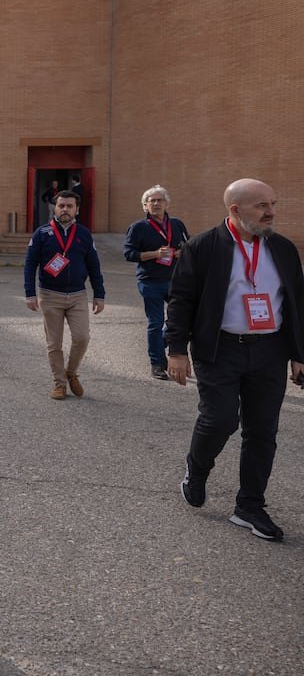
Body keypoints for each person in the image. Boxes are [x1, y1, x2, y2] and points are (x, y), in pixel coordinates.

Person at [168, 178, 304, 542]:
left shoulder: (283, 250)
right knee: (220, 419)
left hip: (269, 350)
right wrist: (177, 350)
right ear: (235, 210)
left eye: (272, 203)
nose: (271, 211)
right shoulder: (203, 247)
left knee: (262, 431)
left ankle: (249, 507)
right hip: (220, 349)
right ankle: (196, 471)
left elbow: (296, 304)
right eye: (262, 205)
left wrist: (298, 355)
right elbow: (181, 300)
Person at [23, 190, 106, 400]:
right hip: (50, 295)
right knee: (54, 343)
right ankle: (59, 383)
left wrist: (99, 294)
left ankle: (71, 372)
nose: (65, 210)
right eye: (61, 206)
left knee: (82, 338)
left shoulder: (84, 234)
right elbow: (30, 264)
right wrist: (30, 293)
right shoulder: (42, 233)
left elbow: (94, 266)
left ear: (76, 209)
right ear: (55, 208)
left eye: (70, 206)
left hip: (78, 295)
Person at [122, 186, 190, 379]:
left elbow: (188, 246)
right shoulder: (138, 228)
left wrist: (181, 253)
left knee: (182, 318)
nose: (156, 203)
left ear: (167, 204)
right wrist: (155, 254)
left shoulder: (177, 225)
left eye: (160, 200)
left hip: (176, 280)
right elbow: (129, 254)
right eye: (152, 201)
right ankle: (157, 363)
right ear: (145, 206)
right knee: (155, 322)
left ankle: (163, 344)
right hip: (150, 281)